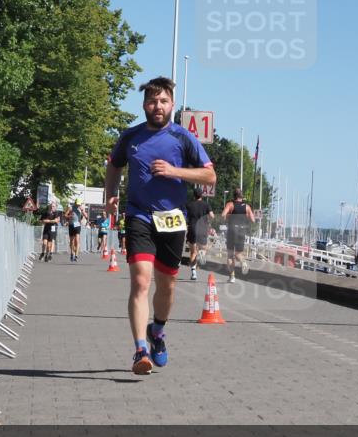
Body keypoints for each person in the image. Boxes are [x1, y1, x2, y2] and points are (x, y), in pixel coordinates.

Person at [105, 76, 216, 375]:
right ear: (144, 104)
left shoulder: (183, 138)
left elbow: (210, 177)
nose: (158, 106)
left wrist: (174, 171)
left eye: (163, 101)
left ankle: (158, 331)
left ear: (172, 105)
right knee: (141, 281)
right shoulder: (130, 137)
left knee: (167, 286)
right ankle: (140, 349)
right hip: (139, 215)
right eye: (152, 101)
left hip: (172, 219)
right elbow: (113, 165)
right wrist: (111, 196)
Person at [222, 189, 255, 283]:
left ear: (234, 196)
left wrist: (228, 217)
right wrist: (246, 217)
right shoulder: (247, 207)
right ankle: (243, 262)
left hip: (232, 230)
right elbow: (253, 220)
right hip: (242, 230)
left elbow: (223, 214)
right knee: (238, 254)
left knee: (230, 255)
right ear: (242, 196)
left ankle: (232, 277)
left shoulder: (230, 204)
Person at [185, 188, 214, 280]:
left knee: (193, 252)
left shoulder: (189, 205)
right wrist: (208, 221)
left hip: (192, 228)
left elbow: (185, 217)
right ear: (202, 195)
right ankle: (202, 252)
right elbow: (212, 216)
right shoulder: (206, 205)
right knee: (203, 247)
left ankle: (194, 273)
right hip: (202, 228)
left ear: (194, 195)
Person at [65, 198, 87, 262]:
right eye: (77, 204)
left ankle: (76, 256)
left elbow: (86, 216)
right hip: (71, 225)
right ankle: (72, 254)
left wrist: (82, 211)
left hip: (77, 225)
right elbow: (65, 215)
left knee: (77, 240)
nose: (78, 205)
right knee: (71, 241)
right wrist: (69, 216)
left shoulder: (81, 208)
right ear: (75, 203)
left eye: (79, 204)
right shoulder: (71, 208)